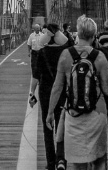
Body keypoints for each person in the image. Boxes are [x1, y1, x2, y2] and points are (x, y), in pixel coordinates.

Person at [48, 15, 108, 170]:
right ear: (94, 35)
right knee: (99, 160)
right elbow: (107, 90)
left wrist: (50, 112)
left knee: (78, 164)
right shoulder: (100, 57)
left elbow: (57, 87)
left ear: (78, 32)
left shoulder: (65, 55)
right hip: (97, 114)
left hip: (74, 114)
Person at [31, 23, 69, 170]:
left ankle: (51, 162)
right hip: (62, 91)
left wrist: (31, 94)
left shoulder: (42, 52)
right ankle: (61, 159)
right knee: (61, 125)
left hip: (45, 92)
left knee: (47, 128)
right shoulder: (66, 52)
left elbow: (35, 76)